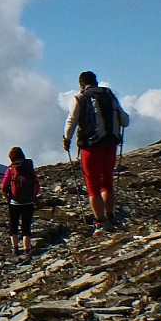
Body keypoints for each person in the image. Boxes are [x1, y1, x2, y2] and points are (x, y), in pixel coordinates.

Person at [62, 70, 130, 233]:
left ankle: (100, 222)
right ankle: (111, 216)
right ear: (96, 81)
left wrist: (67, 139)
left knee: (93, 186)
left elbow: (72, 120)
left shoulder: (79, 98)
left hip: (90, 148)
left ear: (81, 84)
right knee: (107, 183)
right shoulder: (109, 95)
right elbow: (125, 120)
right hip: (111, 145)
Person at [0, 146, 39, 258]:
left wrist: (8, 199)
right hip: (29, 203)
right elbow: (37, 184)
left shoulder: (11, 169)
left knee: (14, 226)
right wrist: (33, 197)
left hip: (14, 203)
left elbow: (3, 187)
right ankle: (27, 250)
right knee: (26, 227)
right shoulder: (29, 168)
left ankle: (16, 250)